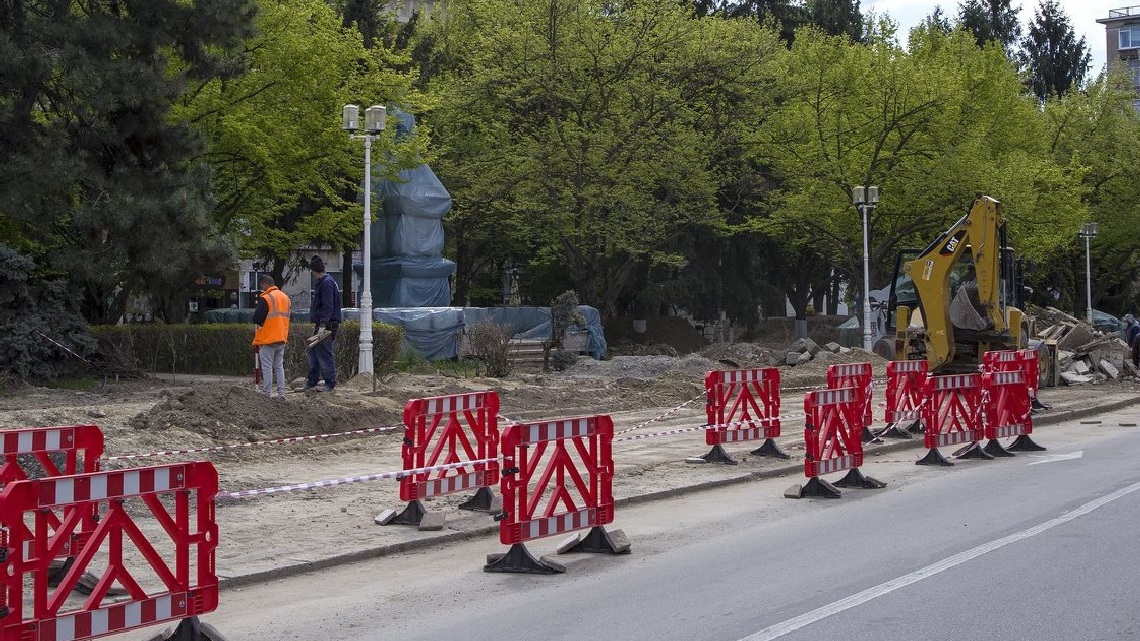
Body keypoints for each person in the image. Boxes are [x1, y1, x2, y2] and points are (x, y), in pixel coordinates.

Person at [305, 255, 342, 392]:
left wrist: (322, 325)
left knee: (325, 353)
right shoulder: (327, 281)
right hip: (325, 323)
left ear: (314, 271)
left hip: (327, 324)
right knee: (314, 352)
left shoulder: (326, 283)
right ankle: (312, 381)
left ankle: (329, 383)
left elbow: (328, 306)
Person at [252, 275, 291, 399]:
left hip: (268, 338)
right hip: (282, 337)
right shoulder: (286, 298)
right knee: (279, 366)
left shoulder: (266, 298)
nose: (262, 289)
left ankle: (266, 394)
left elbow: (256, 319)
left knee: (267, 367)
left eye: (262, 286)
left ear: (265, 284)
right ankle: (281, 393)